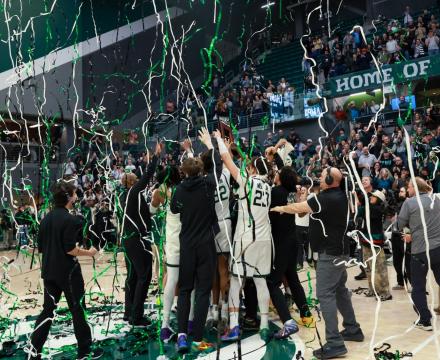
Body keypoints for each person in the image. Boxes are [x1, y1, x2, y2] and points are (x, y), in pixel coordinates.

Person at [272, 167, 363, 359]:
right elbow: (305, 210)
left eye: (322, 176)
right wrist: (299, 200)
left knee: (325, 295)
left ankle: (335, 343)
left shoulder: (326, 198)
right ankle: (352, 329)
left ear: (331, 180)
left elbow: (299, 209)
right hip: (340, 251)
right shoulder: (337, 195)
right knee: (339, 291)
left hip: (330, 254)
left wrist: (279, 208)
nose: (319, 178)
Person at [28, 180, 102, 360]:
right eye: (75, 193)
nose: (77, 196)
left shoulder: (45, 219)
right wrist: (90, 253)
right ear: (69, 198)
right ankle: (85, 351)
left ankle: (33, 351)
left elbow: (42, 247)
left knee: (48, 311)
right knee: (78, 309)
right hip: (68, 273)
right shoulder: (71, 219)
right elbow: (70, 249)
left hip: (49, 272)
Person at [214, 132, 273, 342]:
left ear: (253, 169)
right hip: (265, 240)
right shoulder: (268, 186)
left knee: (236, 282)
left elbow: (226, 160)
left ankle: (234, 326)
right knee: (260, 282)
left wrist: (220, 139)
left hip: (245, 239)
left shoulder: (247, 182)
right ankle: (265, 326)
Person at [171, 128, 222, 353]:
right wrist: (210, 145)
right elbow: (218, 165)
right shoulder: (208, 184)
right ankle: (197, 337)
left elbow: (174, 208)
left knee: (184, 290)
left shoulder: (179, 191)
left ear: (184, 172)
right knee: (202, 291)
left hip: (187, 245)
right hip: (205, 244)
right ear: (201, 170)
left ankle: (182, 335)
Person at [267, 166, 312, 339]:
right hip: (293, 239)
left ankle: (288, 321)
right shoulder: (291, 192)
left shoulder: (274, 192)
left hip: (280, 242)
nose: (275, 174)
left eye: (277, 173)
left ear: (281, 177)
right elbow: (301, 215)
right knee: (292, 278)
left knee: (272, 282)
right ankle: (306, 314)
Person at [122, 143, 161, 326]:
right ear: (132, 182)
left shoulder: (124, 197)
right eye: (136, 180)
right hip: (136, 240)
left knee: (133, 276)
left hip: (128, 240)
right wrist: (155, 157)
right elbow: (147, 176)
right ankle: (136, 316)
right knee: (144, 276)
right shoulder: (133, 192)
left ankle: (128, 311)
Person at [397, 177, 440, 330]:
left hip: (420, 251)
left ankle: (425, 320)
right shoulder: (436, 198)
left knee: (418, 287)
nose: (407, 190)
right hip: (438, 249)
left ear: (415, 188)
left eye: (408, 187)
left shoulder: (409, 203)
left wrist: (412, 234)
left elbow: (398, 224)